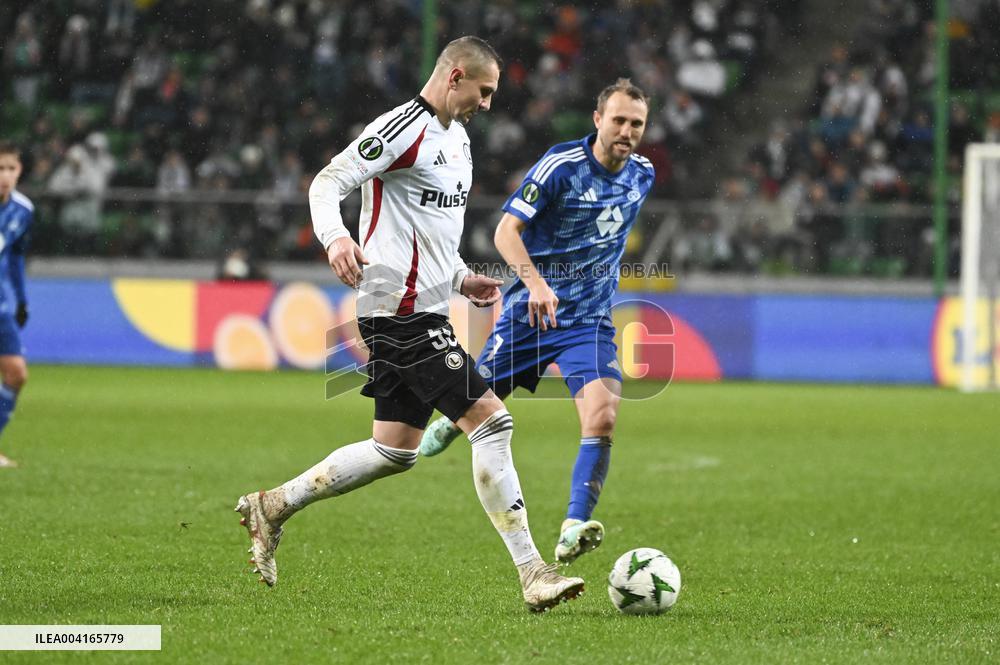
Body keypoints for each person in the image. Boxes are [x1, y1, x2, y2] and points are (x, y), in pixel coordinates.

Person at [235, 36, 584, 612]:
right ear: (454, 77)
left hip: (425, 305)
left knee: (395, 449)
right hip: (396, 310)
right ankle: (533, 572)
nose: (489, 104)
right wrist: (337, 236)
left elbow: (429, 232)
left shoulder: (460, 141)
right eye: (485, 90)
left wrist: (462, 277)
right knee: (492, 424)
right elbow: (327, 182)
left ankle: (272, 505)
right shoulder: (402, 129)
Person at [419, 79, 655, 565]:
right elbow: (506, 231)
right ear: (597, 119)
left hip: (588, 323)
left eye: (636, 123)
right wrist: (540, 284)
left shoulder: (643, 174)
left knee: (604, 416)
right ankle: (449, 419)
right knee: (476, 400)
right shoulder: (561, 166)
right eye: (618, 120)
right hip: (532, 314)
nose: (627, 131)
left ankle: (573, 525)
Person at [0, 143, 34, 469]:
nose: (5, 176)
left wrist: (21, 300)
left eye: (10, 169)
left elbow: (15, 257)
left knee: (16, 373)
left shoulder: (23, 210)